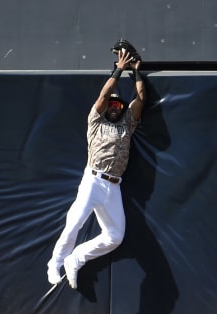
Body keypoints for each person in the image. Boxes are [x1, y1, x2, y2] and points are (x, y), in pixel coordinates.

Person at [47, 50, 146, 289]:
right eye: (111, 104)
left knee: (115, 236)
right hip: (93, 180)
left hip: (113, 186)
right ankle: (55, 262)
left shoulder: (126, 124)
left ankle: (76, 259)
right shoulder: (96, 122)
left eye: (118, 104)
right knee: (75, 223)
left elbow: (141, 98)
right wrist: (119, 69)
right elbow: (103, 95)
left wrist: (136, 72)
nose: (114, 107)